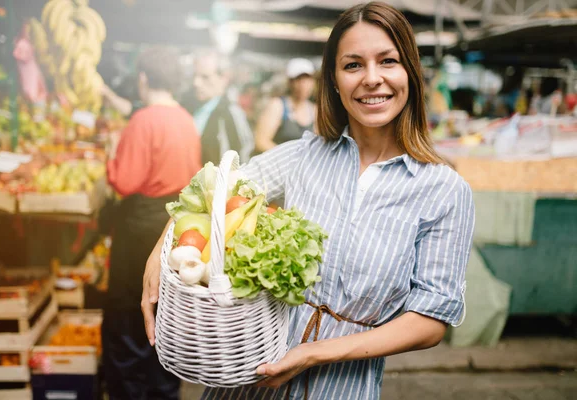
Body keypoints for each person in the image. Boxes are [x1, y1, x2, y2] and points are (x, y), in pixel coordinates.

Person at [142, 3, 475, 399]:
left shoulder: (445, 191)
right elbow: (219, 187)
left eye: (388, 61)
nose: (372, 79)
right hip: (249, 380)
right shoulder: (304, 154)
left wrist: (312, 355)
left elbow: (430, 320)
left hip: (340, 388)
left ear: (411, 73)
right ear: (333, 80)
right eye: (352, 66)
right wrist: (159, 250)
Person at [104, 46, 201, 400]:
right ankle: (162, 390)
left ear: (143, 79)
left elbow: (124, 182)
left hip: (140, 227)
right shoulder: (186, 118)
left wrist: (112, 152)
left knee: (129, 315)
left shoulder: (143, 120)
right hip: (174, 224)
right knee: (163, 311)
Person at [191, 50, 255, 165]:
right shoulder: (190, 105)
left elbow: (242, 156)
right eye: (195, 75)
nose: (196, 83)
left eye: (205, 77)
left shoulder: (231, 113)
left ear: (224, 78)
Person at [254, 58, 317, 153]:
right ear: (290, 82)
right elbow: (261, 141)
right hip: (277, 163)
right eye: (298, 80)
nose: (303, 85)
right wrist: (289, 158)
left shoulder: (315, 110)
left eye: (307, 79)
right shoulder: (277, 105)